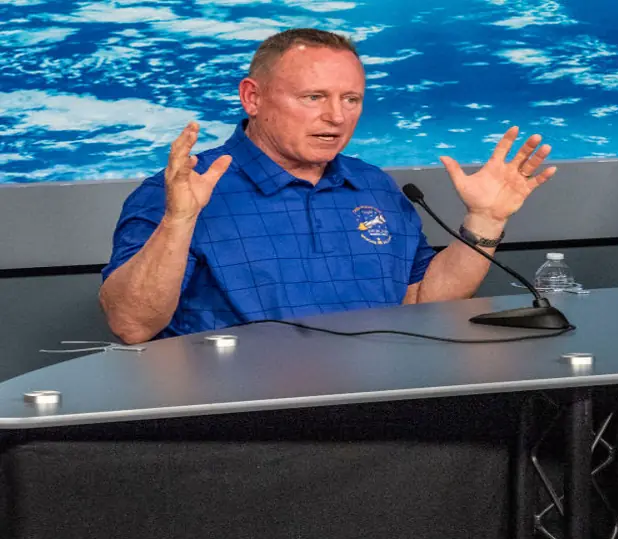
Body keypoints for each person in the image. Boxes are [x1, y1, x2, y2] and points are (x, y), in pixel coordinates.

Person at [99, 29, 556, 343]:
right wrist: (179, 221)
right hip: (239, 425)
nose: (336, 117)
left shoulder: (373, 186)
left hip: (377, 408)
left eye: (351, 99)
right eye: (313, 97)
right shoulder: (184, 189)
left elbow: (419, 300)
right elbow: (132, 325)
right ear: (252, 98)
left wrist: (485, 220)